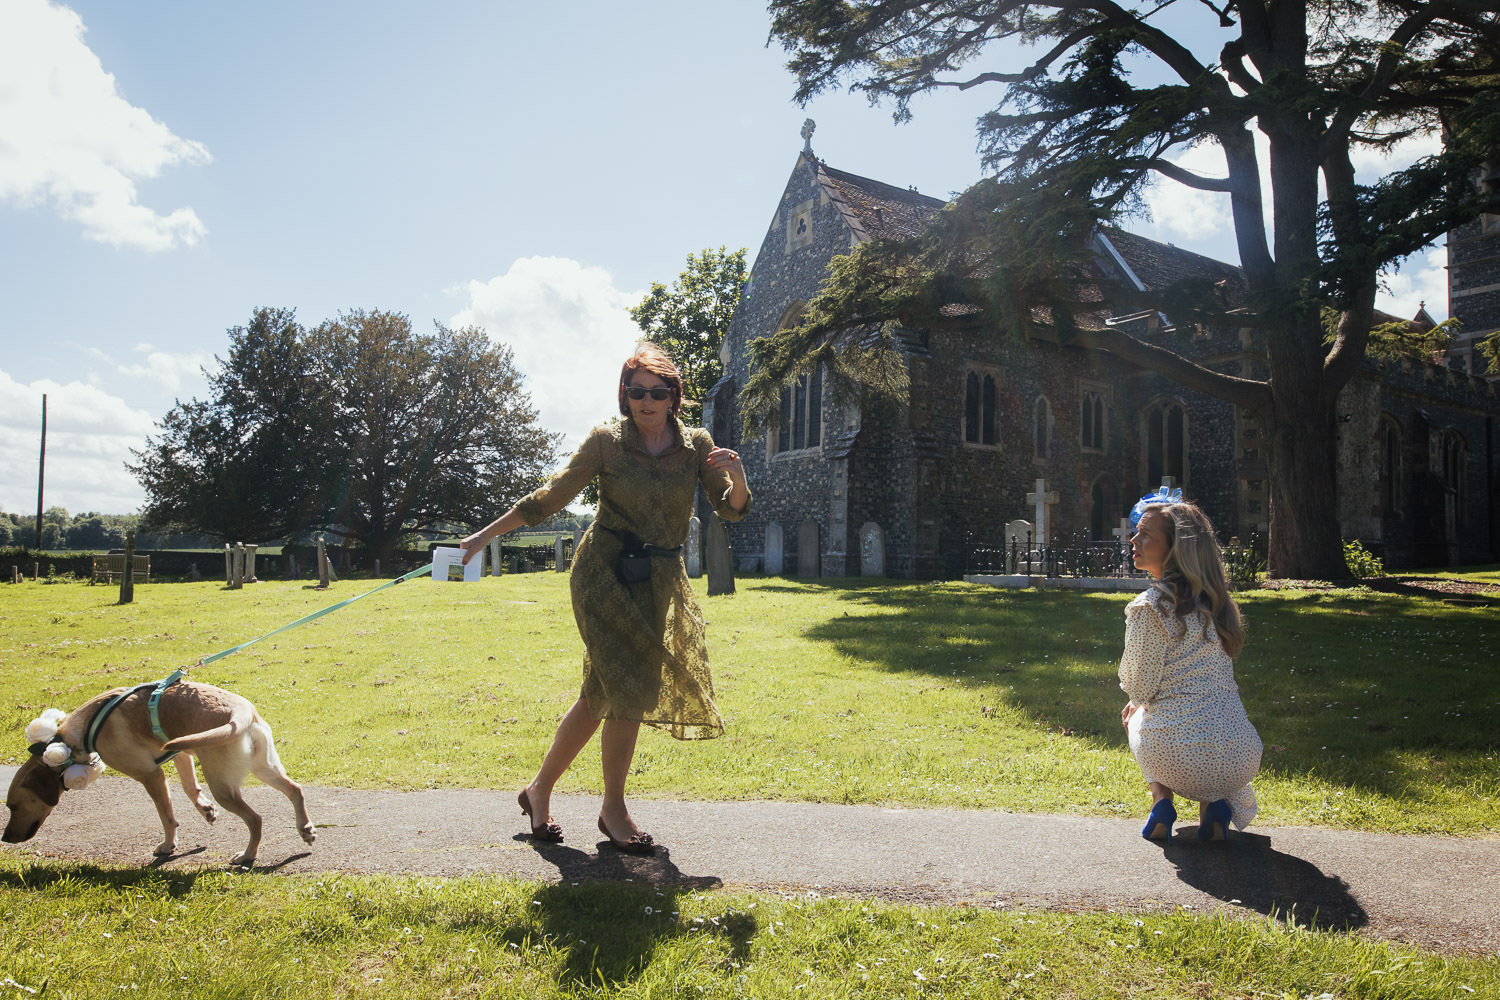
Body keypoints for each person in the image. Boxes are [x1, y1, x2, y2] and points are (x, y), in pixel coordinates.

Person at [459, 343, 750, 854]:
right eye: (636, 391)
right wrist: (481, 538)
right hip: (603, 573)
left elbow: (731, 510)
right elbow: (549, 498)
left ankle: (538, 790)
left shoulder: (695, 445)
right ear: (625, 395)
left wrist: (739, 475)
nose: (646, 401)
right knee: (629, 687)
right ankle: (613, 810)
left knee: (602, 692)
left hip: (657, 577)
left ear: (673, 398)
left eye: (657, 392)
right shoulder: (606, 443)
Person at [1119, 488, 1261, 844]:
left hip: (1176, 752)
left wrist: (1136, 705)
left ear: (1173, 549)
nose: (1134, 538)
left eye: (1145, 534)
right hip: (1240, 755)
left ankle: (1161, 801)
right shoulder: (1217, 604)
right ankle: (1214, 808)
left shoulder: (1149, 608)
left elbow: (1140, 688)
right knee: (1204, 732)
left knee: (1134, 713)